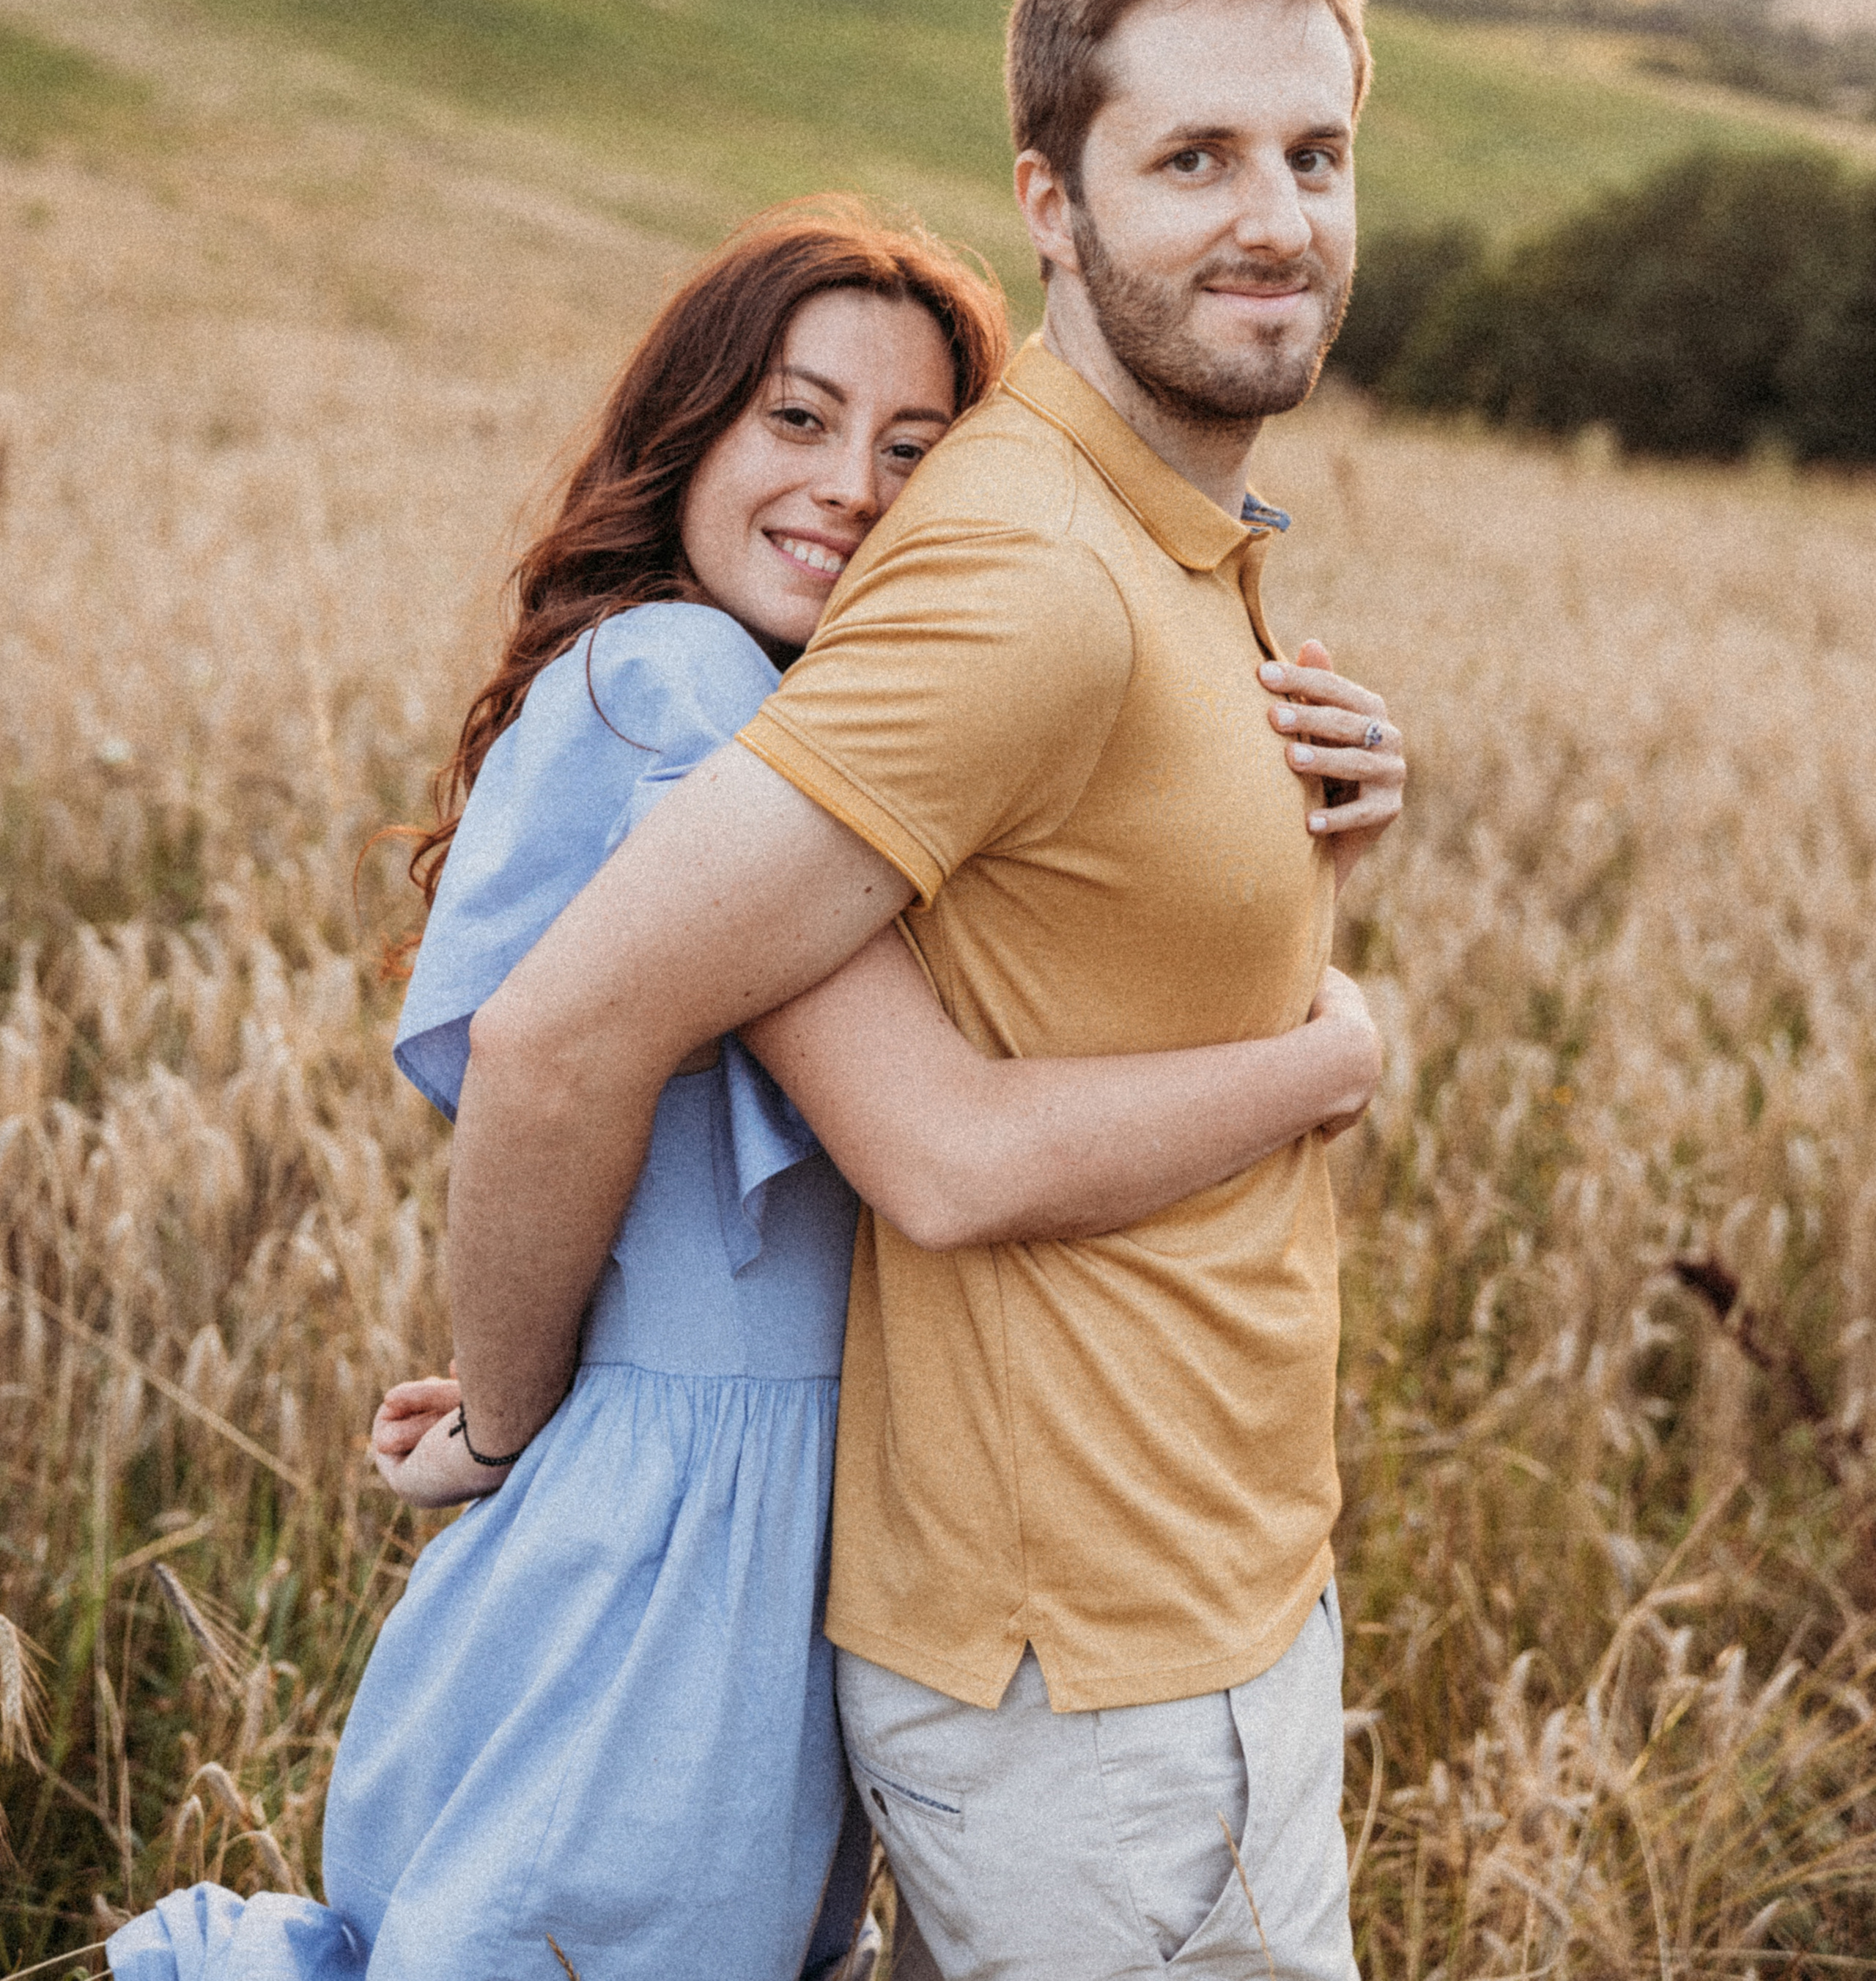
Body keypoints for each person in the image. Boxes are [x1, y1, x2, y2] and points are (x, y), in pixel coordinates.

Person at [108, 190, 1397, 1981]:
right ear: (687, 429)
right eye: (793, 419)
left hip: (763, 1523)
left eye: (908, 448)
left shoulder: (814, 729)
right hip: (675, 1566)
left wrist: (1301, 817)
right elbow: (843, 1130)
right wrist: (1324, 1052)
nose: (850, 490)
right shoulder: (690, 688)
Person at [441, 0, 1403, 1981]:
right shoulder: (1022, 577)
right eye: (1197, 158)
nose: (1279, 216)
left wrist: (1317, 845)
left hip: (1195, 1603)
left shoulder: (1160, 519)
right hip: (1104, 1673)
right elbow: (560, 1034)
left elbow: (1079, 924)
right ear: (1054, 203)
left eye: (1316, 151)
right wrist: (502, 1422)